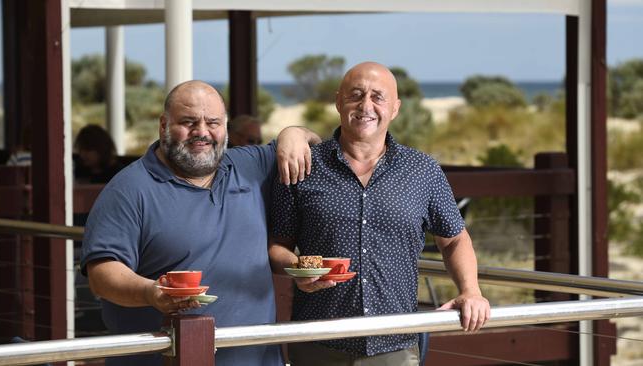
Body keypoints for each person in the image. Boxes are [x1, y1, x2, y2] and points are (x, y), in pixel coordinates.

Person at [80, 80, 319, 366]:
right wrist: (150, 292)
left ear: (226, 127)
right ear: (163, 125)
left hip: (258, 358)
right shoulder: (130, 189)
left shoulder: (248, 165)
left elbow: (316, 143)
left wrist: (292, 132)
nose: (202, 132)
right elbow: (102, 274)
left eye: (213, 122)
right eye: (189, 122)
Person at [269, 62, 491, 366]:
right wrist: (298, 269)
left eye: (378, 97)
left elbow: (454, 239)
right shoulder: (304, 167)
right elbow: (276, 245)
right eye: (356, 95)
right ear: (338, 101)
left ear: (395, 108)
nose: (366, 106)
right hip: (317, 342)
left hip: (395, 346)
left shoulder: (423, 171)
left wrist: (471, 291)